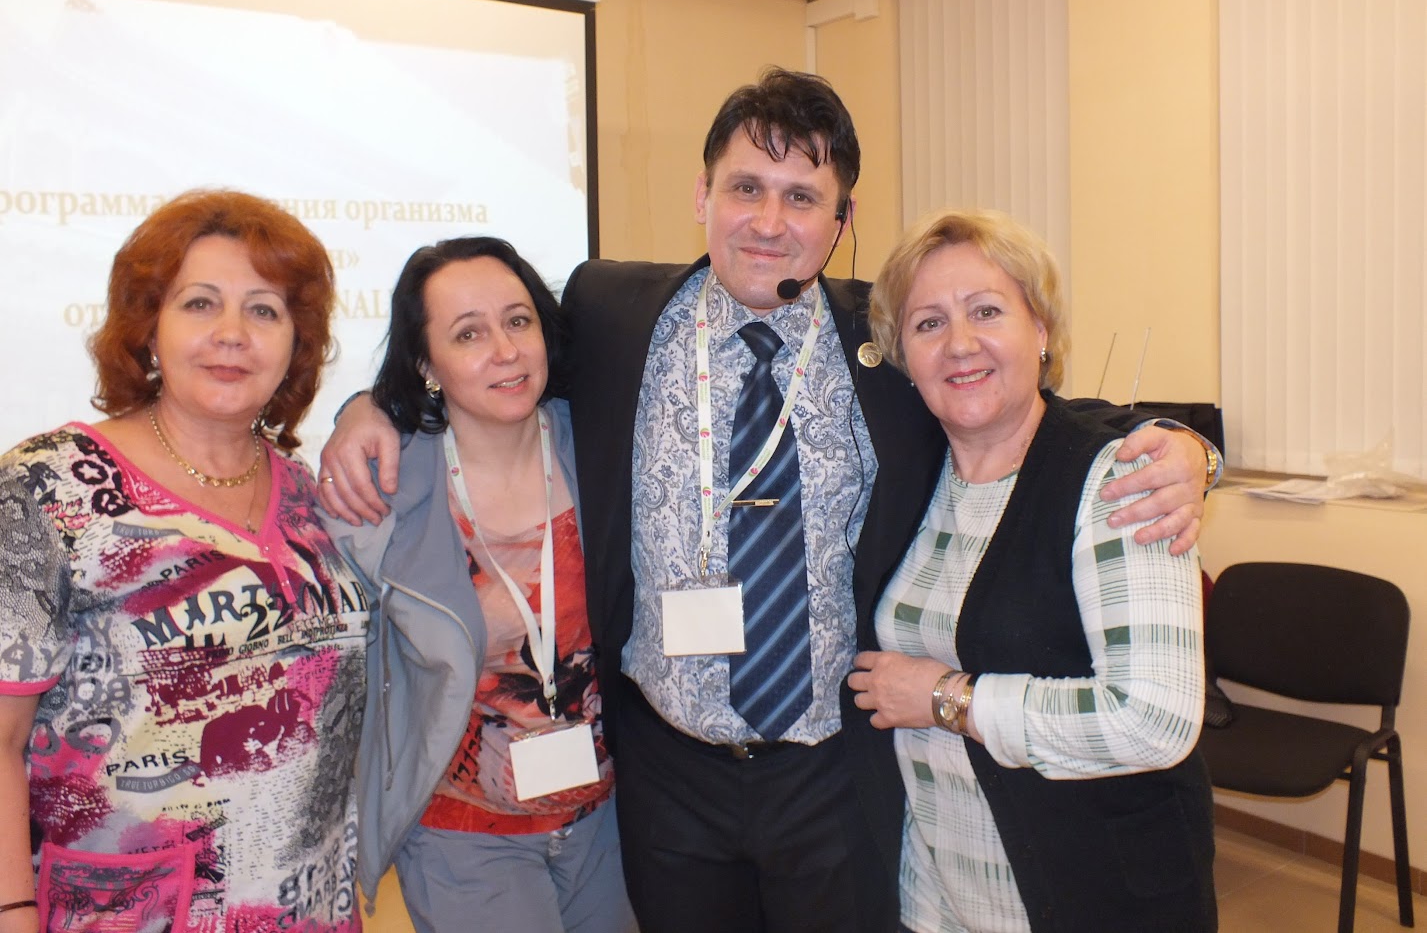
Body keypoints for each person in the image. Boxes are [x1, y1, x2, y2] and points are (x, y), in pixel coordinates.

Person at [317, 68, 1218, 933]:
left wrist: (1184, 447)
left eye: (802, 196)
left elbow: (1013, 394)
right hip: (667, 770)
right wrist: (369, 408)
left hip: (834, 771)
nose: (768, 221)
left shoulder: (889, 337)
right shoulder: (609, 310)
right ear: (701, 195)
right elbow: (486, 363)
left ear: (841, 220)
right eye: (745, 187)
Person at [0, 190, 366, 933]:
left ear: (295, 343)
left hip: (308, 908)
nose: (232, 334)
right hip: (127, 912)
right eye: (200, 304)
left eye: (264, 310)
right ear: (148, 329)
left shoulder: (313, 495)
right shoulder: (46, 487)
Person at [847, 210, 1215, 933]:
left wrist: (947, 699)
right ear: (904, 359)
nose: (959, 343)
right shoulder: (911, 478)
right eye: (928, 323)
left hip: (1087, 894)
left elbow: (1153, 720)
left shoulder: (1120, 482)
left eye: (986, 311)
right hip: (938, 892)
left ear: (1039, 330)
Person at [323, 237, 634, 933]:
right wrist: (361, 407)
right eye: (468, 334)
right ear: (425, 364)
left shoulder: (602, 444)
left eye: (518, 321)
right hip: (464, 838)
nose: (505, 350)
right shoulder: (383, 488)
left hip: (610, 825)